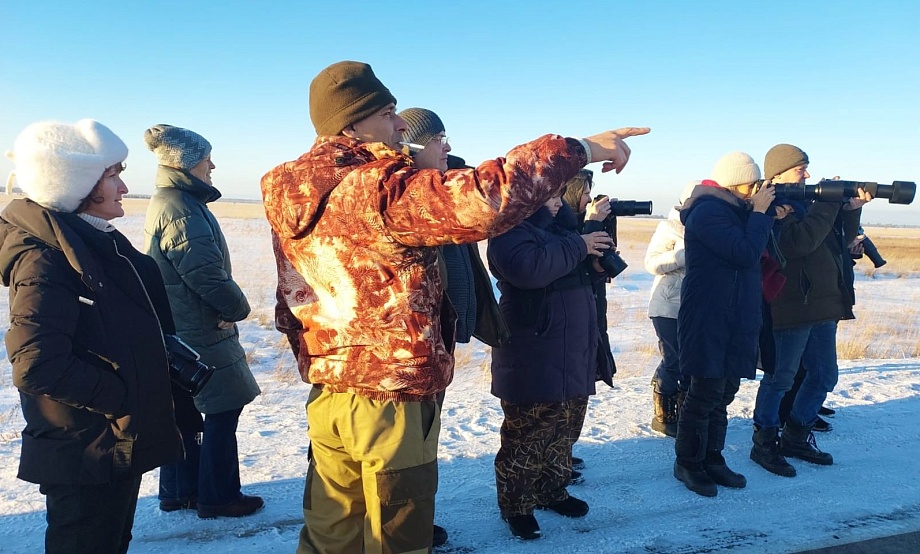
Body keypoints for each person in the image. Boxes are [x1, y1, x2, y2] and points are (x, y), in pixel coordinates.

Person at [260, 60, 648, 553]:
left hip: (331, 387)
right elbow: (484, 199)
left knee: (331, 531)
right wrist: (582, 149)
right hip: (392, 398)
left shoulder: (290, 187)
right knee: (398, 535)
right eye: (387, 112)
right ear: (352, 124)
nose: (400, 125)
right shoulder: (373, 187)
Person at [1, 119, 182, 553]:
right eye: (112, 175)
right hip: (86, 451)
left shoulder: (92, 245)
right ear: (75, 184)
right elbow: (37, 363)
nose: (123, 187)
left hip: (109, 444)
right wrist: (122, 399)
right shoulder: (46, 260)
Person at [397, 106, 507, 548]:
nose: (448, 147)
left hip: (441, 334)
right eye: (439, 139)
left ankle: (413, 518)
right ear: (411, 145)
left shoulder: (444, 187)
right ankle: (403, 525)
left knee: (425, 434)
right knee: (407, 443)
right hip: (414, 341)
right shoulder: (410, 198)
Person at [143, 124, 264, 518]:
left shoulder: (173, 200)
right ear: (186, 163)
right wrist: (237, 309)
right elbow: (204, 273)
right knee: (222, 410)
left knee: (188, 413)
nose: (212, 165)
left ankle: (180, 491)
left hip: (183, 327)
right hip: (202, 330)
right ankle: (218, 496)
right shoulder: (180, 207)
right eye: (205, 158)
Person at [489, 181, 614, 539]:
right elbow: (530, 268)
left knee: (563, 428)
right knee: (528, 433)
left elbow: (568, 271)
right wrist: (580, 244)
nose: (559, 203)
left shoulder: (565, 230)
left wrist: (594, 263)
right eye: (552, 196)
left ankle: (551, 490)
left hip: (571, 347)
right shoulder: (509, 230)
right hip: (534, 349)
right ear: (530, 198)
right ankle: (517, 506)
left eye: (561, 196)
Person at [750, 144, 871, 477]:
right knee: (780, 380)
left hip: (823, 305)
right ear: (778, 174)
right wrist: (828, 202)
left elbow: (837, 244)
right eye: (800, 168)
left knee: (823, 376)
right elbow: (799, 243)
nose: (806, 173)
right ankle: (764, 442)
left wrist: (850, 210)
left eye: (806, 167)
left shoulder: (810, 203)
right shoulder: (772, 206)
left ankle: (796, 436)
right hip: (791, 306)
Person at [674, 152, 777, 497]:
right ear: (736, 183)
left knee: (724, 394)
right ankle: (688, 462)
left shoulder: (740, 211)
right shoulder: (706, 212)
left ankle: (713, 458)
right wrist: (761, 214)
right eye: (753, 183)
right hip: (708, 315)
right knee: (703, 393)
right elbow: (744, 252)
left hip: (737, 315)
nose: (758, 190)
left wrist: (771, 213)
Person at [559, 168, 616, 477]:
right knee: (564, 399)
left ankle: (563, 453)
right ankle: (556, 460)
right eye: (585, 193)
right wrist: (591, 225)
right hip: (569, 324)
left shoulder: (582, 228)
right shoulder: (563, 230)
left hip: (591, 315)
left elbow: (593, 272)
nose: (589, 199)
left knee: (579, 392)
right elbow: (565, 267)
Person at [644, 181, 697, 437]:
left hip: (696, 305)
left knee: (691, 362)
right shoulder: (669, 227)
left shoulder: (711, 227)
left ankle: (685, 412)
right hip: (667, 304)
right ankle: (663, 412)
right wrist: (680, 256)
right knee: (674, 360)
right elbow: (650, 262)